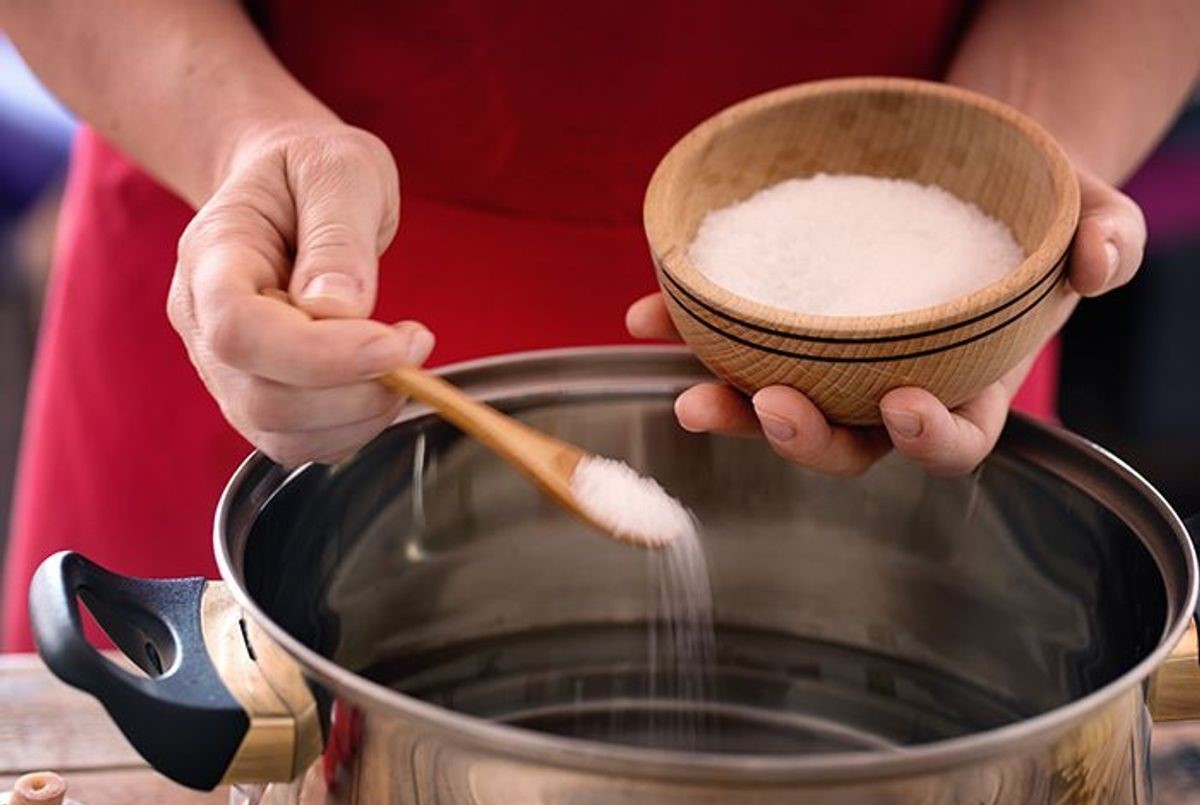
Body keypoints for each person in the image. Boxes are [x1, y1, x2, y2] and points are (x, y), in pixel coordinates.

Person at [1, 1, 1196, 651]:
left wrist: (1012, 179)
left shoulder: (929, 282)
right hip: (283, 227)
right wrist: (246, 146)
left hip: (904, 331)